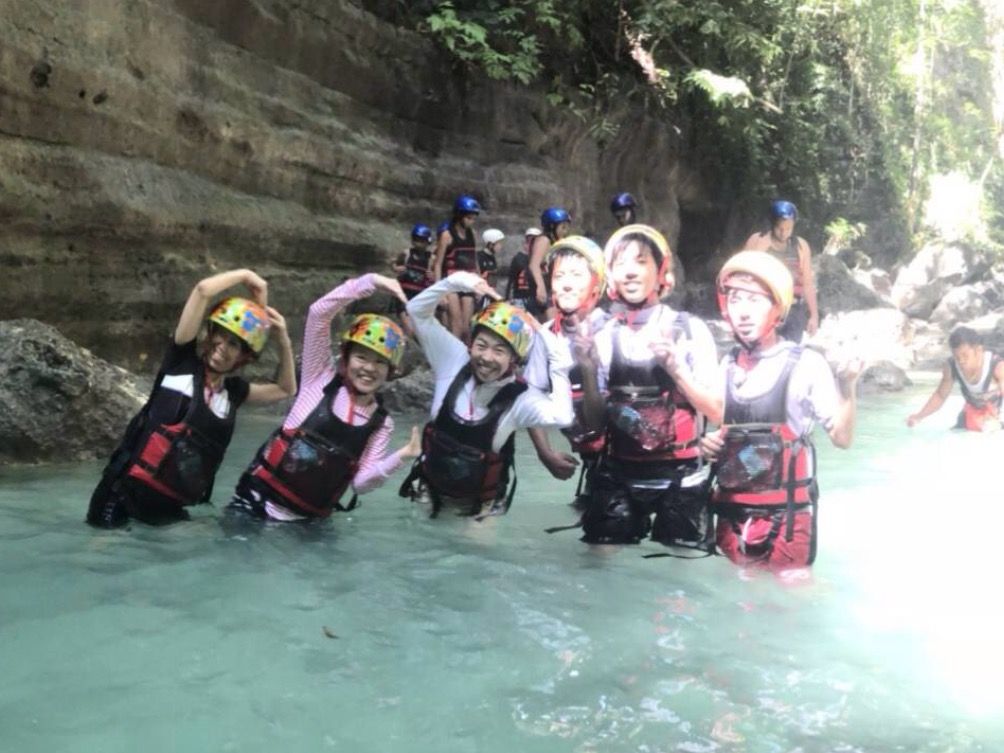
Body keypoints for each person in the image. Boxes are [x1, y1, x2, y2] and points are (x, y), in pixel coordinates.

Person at [86, 269, 297, 528]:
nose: (222, 347)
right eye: (220, 335)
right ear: (210, 334)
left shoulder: (233, 393)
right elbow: (203, 291)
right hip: (120, 496)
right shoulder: (180, 363)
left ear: (244, 357)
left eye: (233, 344)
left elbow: (286, 389)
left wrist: (283, 340)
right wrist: (244, 276)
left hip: (168, 507)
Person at [701, 251, 861, 571]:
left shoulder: (806, 364)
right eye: (735, 299)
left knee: (789, 593)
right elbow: (722, 432)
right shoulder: (727, 365)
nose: (743, 311)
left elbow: (842, 438)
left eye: (754, 300)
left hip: (786, 519)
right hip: (731, 513)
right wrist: (707, 445)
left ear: (777, 307)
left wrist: (847, 388)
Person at [229, 274, 422, 522]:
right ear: (346, 359)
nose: (369, 368)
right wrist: (371, 282)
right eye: (361, 357)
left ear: (390, 370)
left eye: (380, 362)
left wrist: (403, 455)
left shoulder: (381, 424)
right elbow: (318, 313)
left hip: (308, 525)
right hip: (256, 506)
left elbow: (361, 484)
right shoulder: (318, 378)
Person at [576, 225, 720, 547]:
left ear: (661, 272)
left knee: (676, 568)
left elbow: (717, 412)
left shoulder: (691, 330)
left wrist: (677, 370)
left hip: (681, 475)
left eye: (641, 262)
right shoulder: (604, 335)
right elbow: (595, 423)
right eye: (620, 264)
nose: (629, 272)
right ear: (611, 277)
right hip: (619, 472)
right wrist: (587, 370)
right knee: (599, 562)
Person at [400, 271, 574, 517]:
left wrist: (558, 360)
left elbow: (563, 416)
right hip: (427, 492)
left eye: (499, 351)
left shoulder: (521, 399)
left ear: (514, 359)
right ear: (471, 344)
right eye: (481, 346)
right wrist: (455, 282)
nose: (487, 358)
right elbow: (416, 310)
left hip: (477, 509)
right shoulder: (452, 359)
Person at [523, 236, 610, 509]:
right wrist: (545, 454)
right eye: (559, 276)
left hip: (623, 456)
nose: (567, 284)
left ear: (597, 284)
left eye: (576, 275)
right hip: (590, 452)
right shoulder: (547, 335)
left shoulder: (612, 332)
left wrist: (588, 369)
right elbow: (531, 396)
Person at [742, 200, 819, 342]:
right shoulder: (757, 241)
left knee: (790, 351)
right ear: (772, 224)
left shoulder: (801, 246)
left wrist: (814, 316)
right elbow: (744, 276)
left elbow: (807, 283)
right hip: (765, 308)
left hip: (793, 309)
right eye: (779, 228)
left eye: (789, 228)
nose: (784, 233)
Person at [907, 326, 1004, 432]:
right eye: (957, 357)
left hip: (996, 415)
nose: (961, 361)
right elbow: (940, 395)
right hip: (971, 414)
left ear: (979, 350)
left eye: (965, 356)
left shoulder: (998, 367)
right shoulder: (951, 366)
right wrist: (919, 416)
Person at [432, 195, 481, 343]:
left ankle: (464, 353)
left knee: (466, 328)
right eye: (469, 218)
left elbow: (474, 261)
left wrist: (479, 283)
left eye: (474, 218)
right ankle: (452, 355)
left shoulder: (472, 234)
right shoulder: (447, 235)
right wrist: (440, 293)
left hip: (467, 283)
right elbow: (438, 264)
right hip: (451, 283)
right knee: (456, 326)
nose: (472, 221)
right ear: (459, 215)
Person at [527, 207, 571, 321]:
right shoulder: (544, 240)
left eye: (567, 227)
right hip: (543, 288)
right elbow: (534, 265)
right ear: (552, 226)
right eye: (563, 227)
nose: (565, 231)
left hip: (550, 288)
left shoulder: (553, 241)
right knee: (551, 325)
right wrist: (540, 287)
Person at [392, 223, 435, 335]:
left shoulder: (431, 258)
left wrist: (432, 275)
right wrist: (397, 268)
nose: (419, 243)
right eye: (416, 240)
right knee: (408, 328)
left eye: (422, 240)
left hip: (420, 295)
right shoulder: (407, 253)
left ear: (427, 242)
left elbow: (436, 275)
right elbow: (394, 264)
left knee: (418, 329)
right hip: (404, 294)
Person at [505, 227, 541, 309]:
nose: (531, 245)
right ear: (525, 244)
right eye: (529, 241)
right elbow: (511, 280)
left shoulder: (541, 260)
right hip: (519, 299)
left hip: (535, 299)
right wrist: (507, 299)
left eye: (534, 242)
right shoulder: (518, 259)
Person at [478, 228, 505, 307]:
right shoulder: (479, 257)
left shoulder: (492, 258)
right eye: (498, 243)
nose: (500, 246)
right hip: (481, 294)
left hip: (490, 293)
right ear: (490, 244)